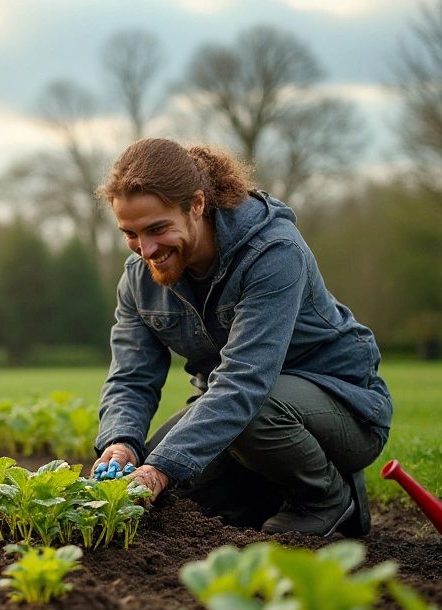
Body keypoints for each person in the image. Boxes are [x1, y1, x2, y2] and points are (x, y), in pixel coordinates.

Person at [91, 138, 392, 537]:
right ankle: (267, 490)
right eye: (130, 233)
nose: (145, 250)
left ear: (196, 205)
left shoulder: (274, 253)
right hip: (244, 412)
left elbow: (244, 381)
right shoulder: (138, 279)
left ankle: (327, 496)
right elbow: (130, 378)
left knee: (196, 447)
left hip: (345, 412)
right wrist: (122, 441)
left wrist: (161, 468)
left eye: (157, 228)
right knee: (166, 497)